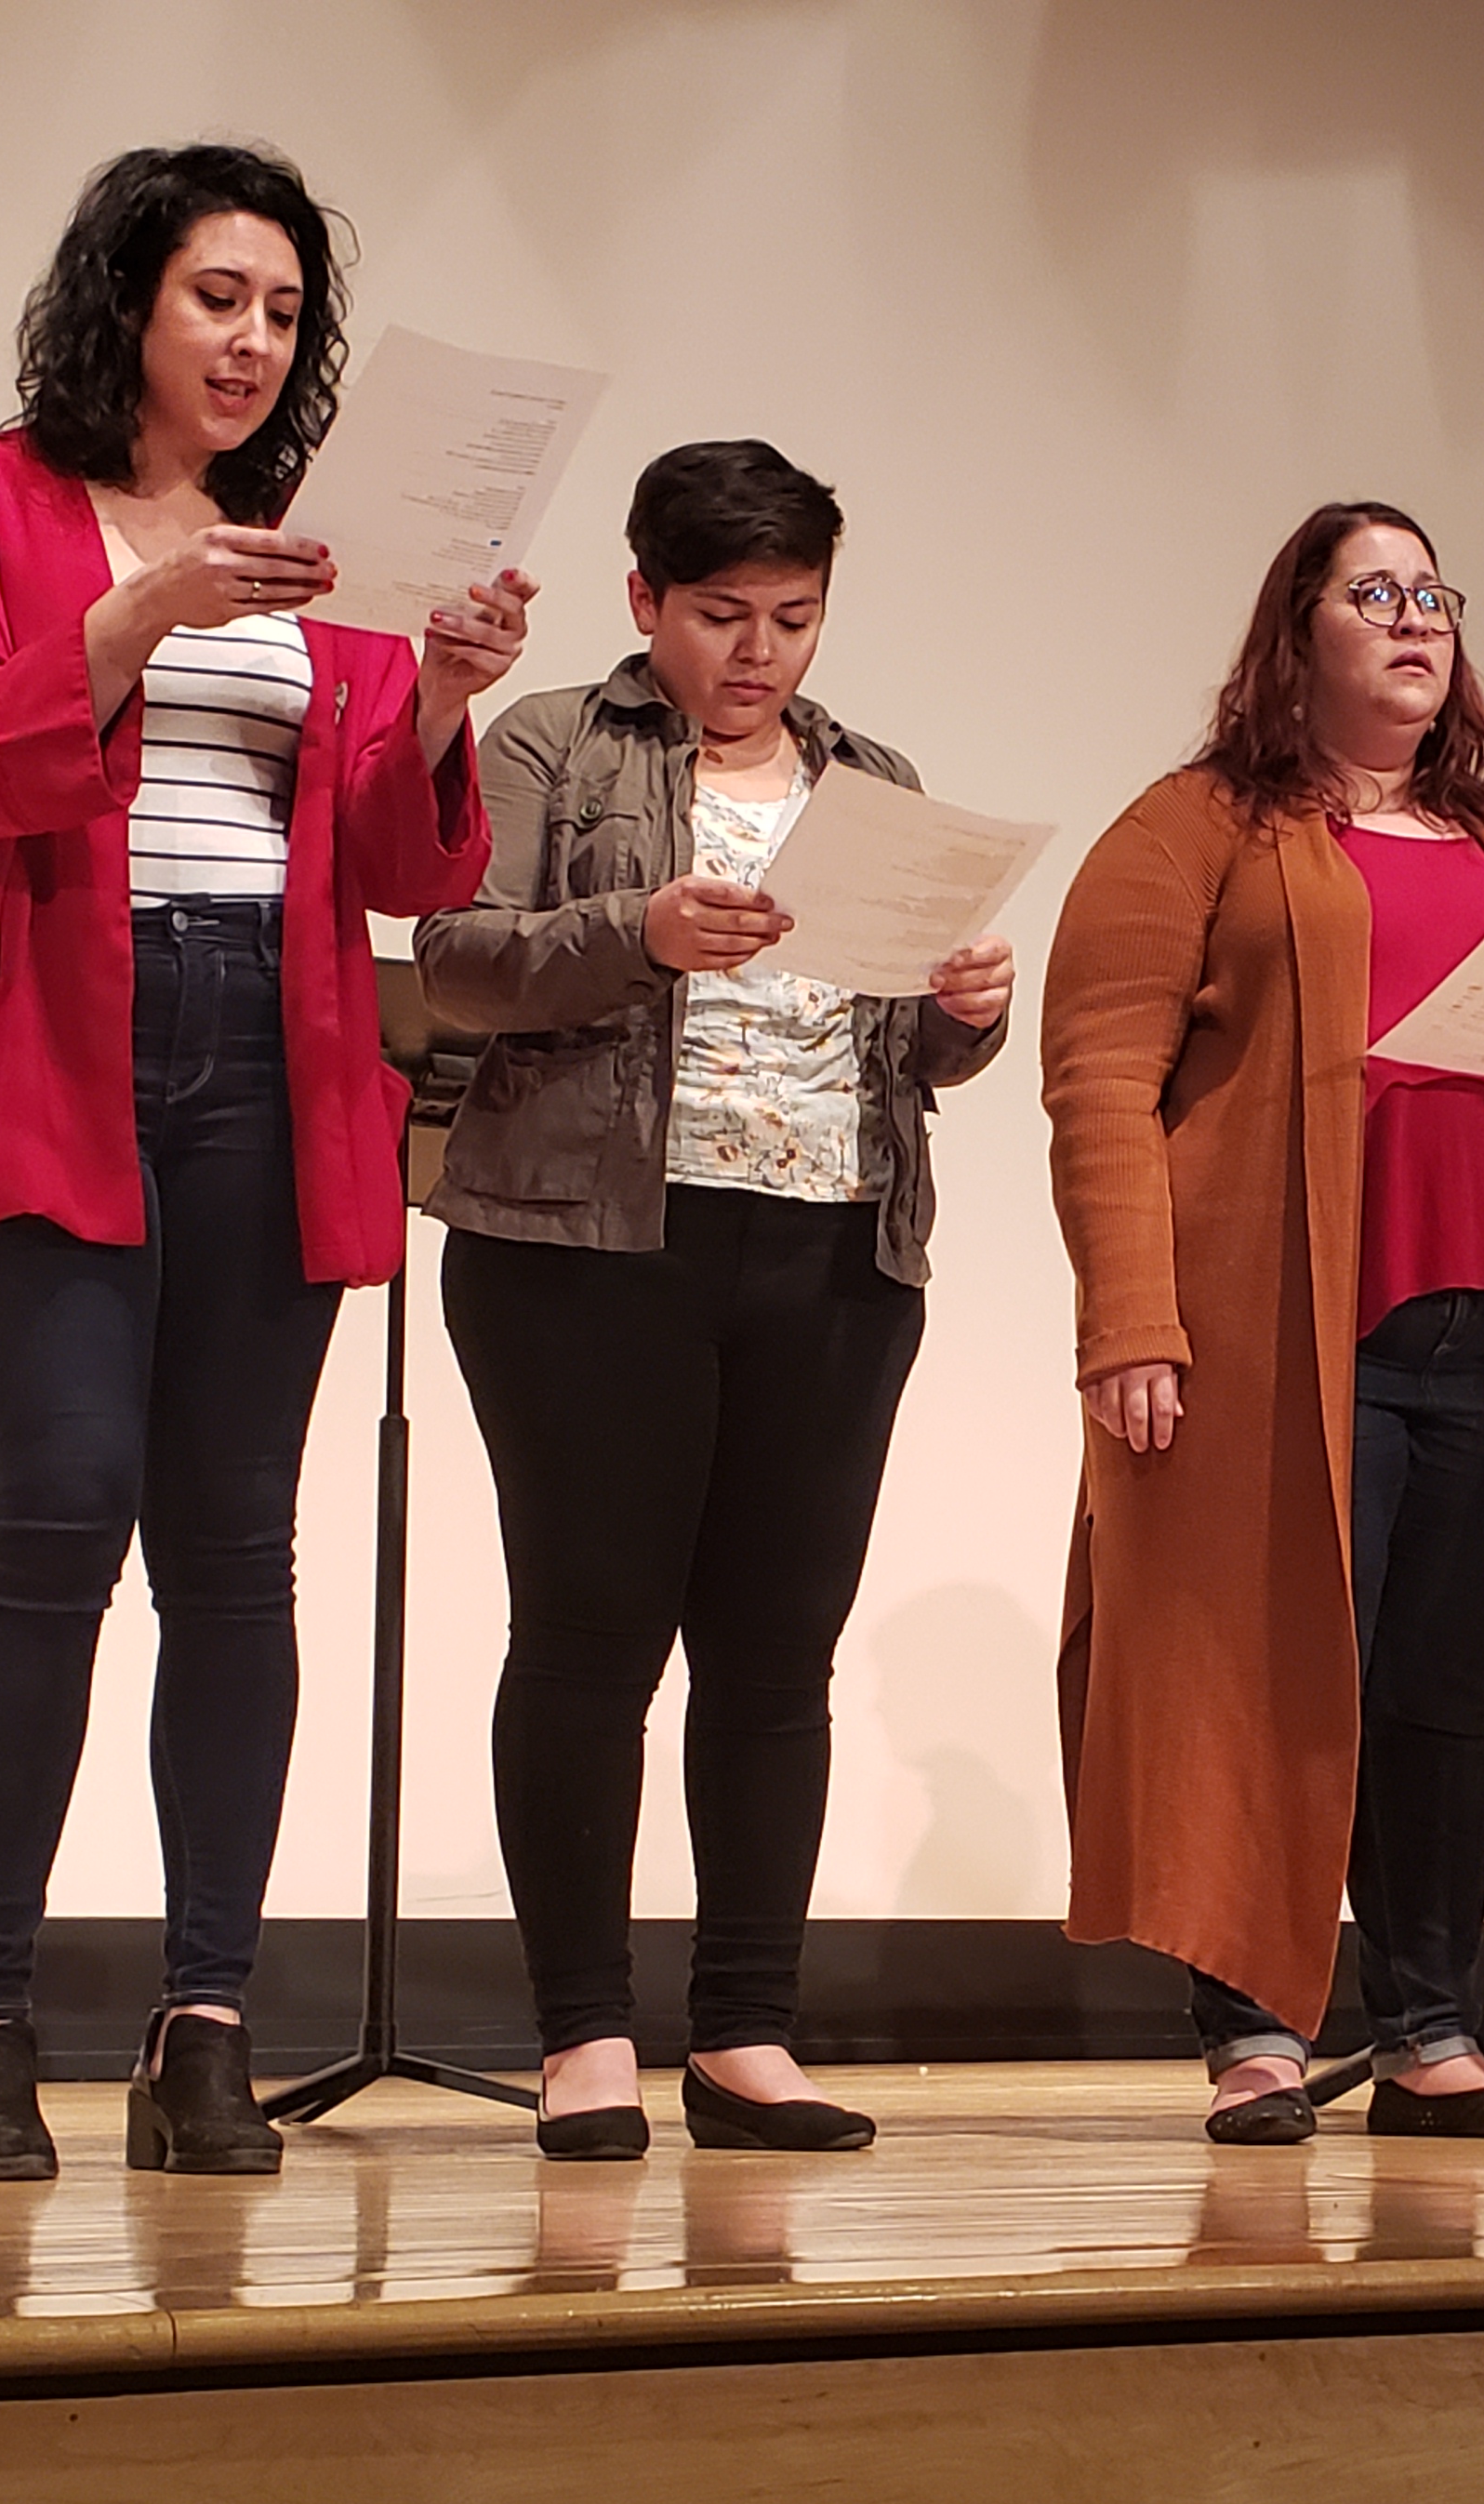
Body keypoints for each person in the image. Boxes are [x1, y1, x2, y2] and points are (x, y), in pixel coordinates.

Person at [0, 143, 531, 2181]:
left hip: (274, 1036)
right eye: (217, 298)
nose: (251, 342)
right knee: (57, 1512)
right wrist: (143, 610)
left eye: (285, 313)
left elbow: (400, 865)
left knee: (235, 1550)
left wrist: (447, 702)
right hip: (55, 1036)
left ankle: (205, 2025)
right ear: (127, 302)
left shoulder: (328, 553)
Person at [1042, 500, 1484, 2146]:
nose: (1414, 620)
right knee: (1255, 1680)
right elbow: (1100, 1080)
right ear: (1297, 634)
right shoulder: (1194, 827)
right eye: (1373, 593)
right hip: (1279, 1339)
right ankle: (1256, 2037)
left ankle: (1432, 2036)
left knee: (1442, 1695)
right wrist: (1132, 1321)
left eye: (1432, 595)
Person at [415, 443, 1014, 2160]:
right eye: (721, 614)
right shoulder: (553, 743)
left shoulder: (874, 778)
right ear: (645, 599)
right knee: (589, 1640)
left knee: (775, 1655)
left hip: (833, 1248)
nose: (759, 652)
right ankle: (584, 2035)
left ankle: (747, 2031)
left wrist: (965, 1008)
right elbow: (454, 957)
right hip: (591, 1244)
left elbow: (913, 1052)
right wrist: (642, 931)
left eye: (793, 618)